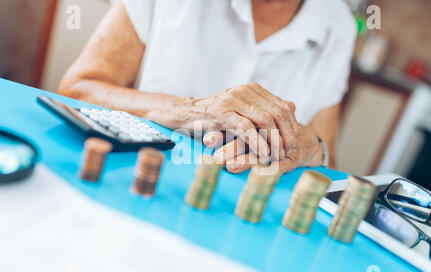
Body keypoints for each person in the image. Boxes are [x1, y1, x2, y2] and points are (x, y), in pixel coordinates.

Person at [59, 0, 356, 174]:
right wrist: (193, 110)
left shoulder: (338, 24)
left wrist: (312, 149)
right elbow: (79, 88)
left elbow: (325, 155)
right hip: (132, 176)